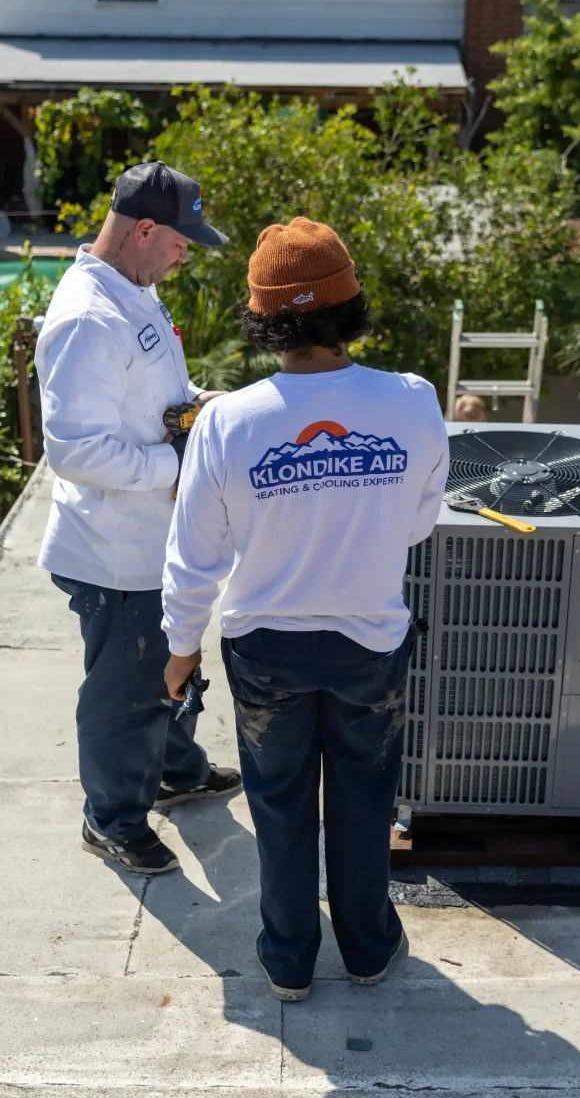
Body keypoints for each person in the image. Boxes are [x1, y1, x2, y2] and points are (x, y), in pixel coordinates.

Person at [162, 218, 449, 1001]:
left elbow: (196, 556)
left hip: (265, 651)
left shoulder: (228, 420)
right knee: (365, 800)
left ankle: (290, 958)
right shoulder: (413, 402)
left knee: (280, 805)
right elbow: (419, 522)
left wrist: (180, 651)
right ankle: (366, 948)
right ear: (350, 306)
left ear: (264, 318)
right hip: (369, 644)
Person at [36, 161, 242, 876]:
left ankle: (176, 775)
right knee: (124, 694)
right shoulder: (89, 319)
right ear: (145, 229)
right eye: (183, 238)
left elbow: (160, 394)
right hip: (113, 552)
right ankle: (112, 819)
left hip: (153, 540)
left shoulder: (132, 290)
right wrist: (180, 466)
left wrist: (211, 407)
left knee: (165, 664)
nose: (190, 251)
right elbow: (76, 450)